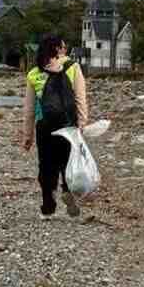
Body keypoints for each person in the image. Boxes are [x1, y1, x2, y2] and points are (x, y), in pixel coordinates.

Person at [22, 35, 89, 220]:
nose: (65, 51)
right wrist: (82, 124)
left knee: (46, 165)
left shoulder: (34, 73)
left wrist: (27, 136)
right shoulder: (73, 67)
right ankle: (68, 191)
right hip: (67, 124)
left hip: (44, 125)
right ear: (58, 49)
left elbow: (28, 109)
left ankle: (48, 207)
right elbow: (80, 98)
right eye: (63, 47)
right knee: (67, 162)